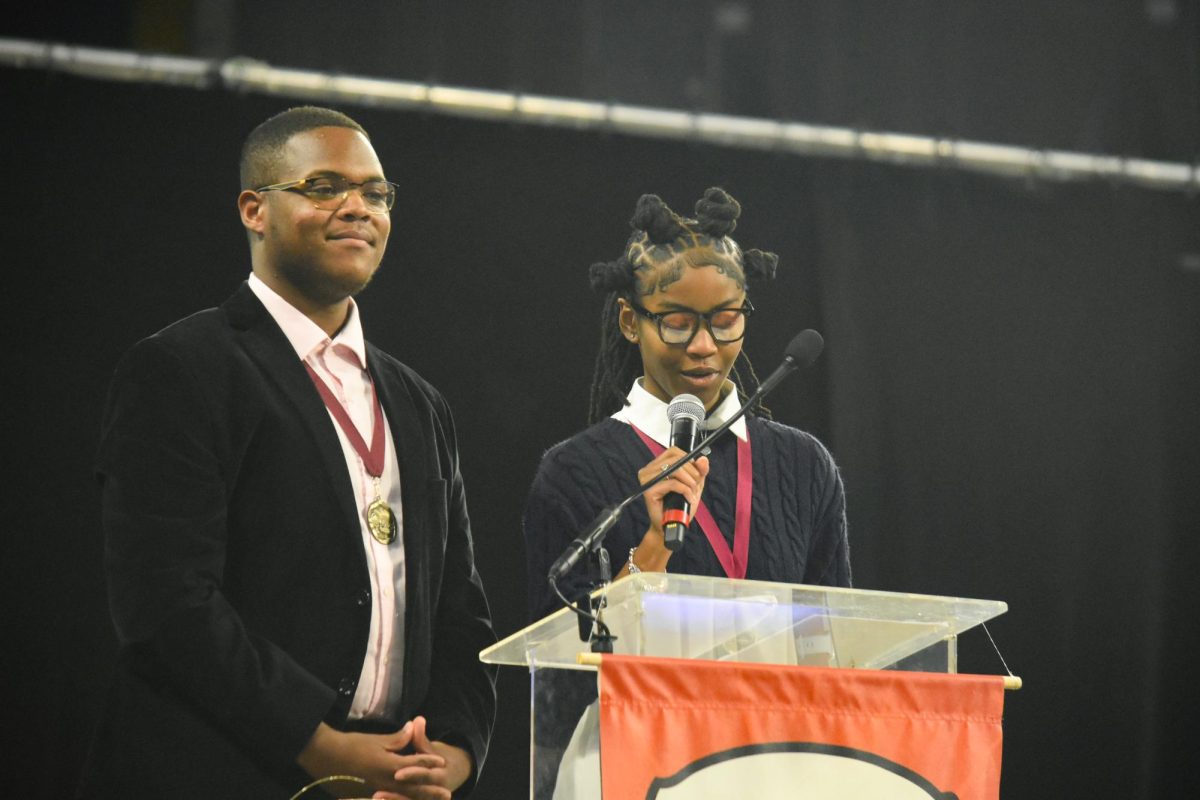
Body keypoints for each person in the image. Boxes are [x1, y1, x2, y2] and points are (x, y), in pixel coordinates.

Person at [81, 106, 497, 800]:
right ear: (254, 209)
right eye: (324, 187)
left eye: (376, 192)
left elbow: (462, 610)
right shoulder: (183, 368)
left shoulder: (422, 404)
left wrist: (455, 750)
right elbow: (167, 606)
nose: (357, 207)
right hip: (215, 770)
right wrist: (323, 746)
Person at [521, 188, 852, 796]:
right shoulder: (574, 472)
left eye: (726, 319)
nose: (704, 346)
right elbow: (558, 668)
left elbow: (830, 649)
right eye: (676, 322)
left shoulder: (805, 467)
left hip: (777, 771)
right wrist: (652, 546)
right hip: (629, 767)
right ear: (630, 321)